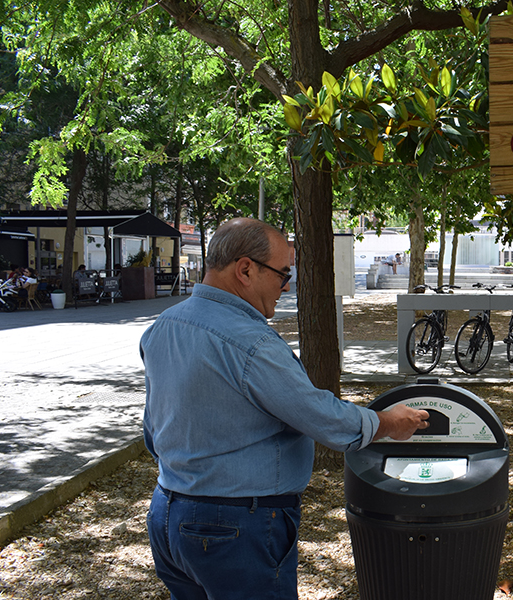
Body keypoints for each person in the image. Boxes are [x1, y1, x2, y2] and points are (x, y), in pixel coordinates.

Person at [139, 218, 429, 600]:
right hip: (237, 526)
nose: (287, 285)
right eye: (282, 273)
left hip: (168, 514)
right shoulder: (249, 342)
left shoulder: (163, 326)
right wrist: (388, 422)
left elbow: (152, 431)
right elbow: (318, 415)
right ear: (245, 269)